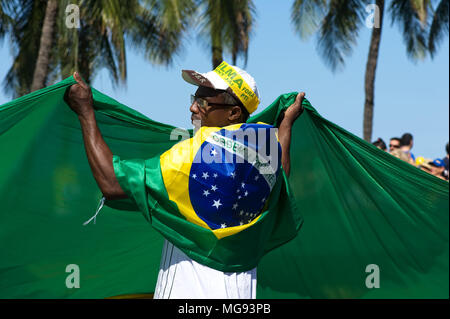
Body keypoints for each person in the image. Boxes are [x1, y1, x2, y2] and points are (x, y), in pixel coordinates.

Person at [64, 63, 305, 299]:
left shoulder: (192, 155)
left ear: (233, 113)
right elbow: (282, 171)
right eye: (194, 97)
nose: (192, 107)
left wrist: (85, 113)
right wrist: (286, 124)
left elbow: (112, 183)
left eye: (203, 102)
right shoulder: (262, 145)